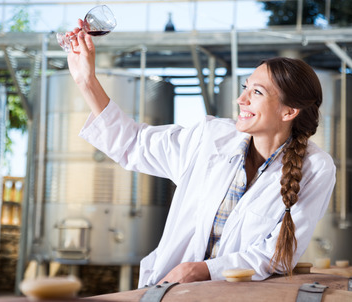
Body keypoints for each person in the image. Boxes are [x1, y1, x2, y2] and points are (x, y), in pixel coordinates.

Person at [66, 23, 336, 288]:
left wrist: (202, 270)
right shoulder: (210, 138)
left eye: (257, 92)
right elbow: (133, 143)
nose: (241, 99)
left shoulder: (316, 169)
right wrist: (85, 79)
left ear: (289, 112)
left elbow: (278, 256)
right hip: (170, 290)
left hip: (239, 296)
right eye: (245, 87)